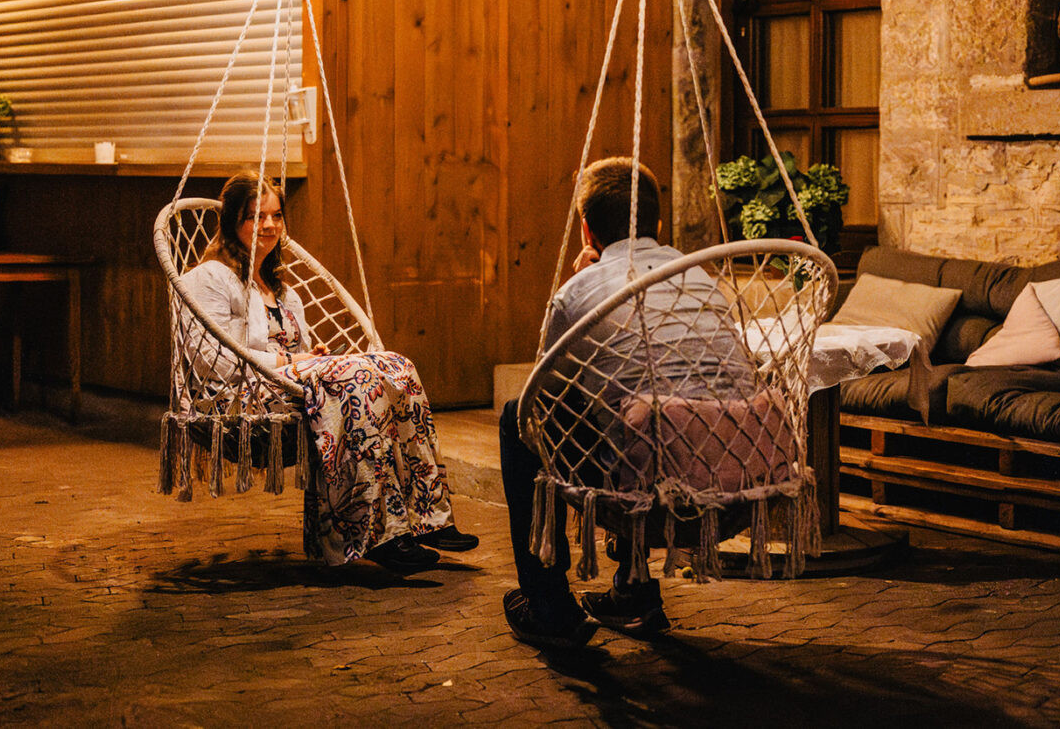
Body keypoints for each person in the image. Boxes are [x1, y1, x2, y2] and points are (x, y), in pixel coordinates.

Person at [500, 156, 752, 648]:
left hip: (647, 487)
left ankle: (549, 605)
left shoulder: (581, 290)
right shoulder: (703, 279)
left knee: (519, 416)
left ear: (586, 230)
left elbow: (544, 396)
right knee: (637, 406)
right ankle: (633, 592)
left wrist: (578, 289)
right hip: (737, 474)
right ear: (657, 224)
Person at [181, 171, 478, 575]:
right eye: (256, 216)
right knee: (355, 379)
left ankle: (429, 516)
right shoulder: (209, 278)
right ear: (233, 221)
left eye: (276, 216)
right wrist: (292, 363)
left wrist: (310, 357)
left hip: (292, 385)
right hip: (241, 394)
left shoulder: (283, 291)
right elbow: (211, 360)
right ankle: (378, 535)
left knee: (398, 366)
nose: (269, 225)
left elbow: (293, 353)